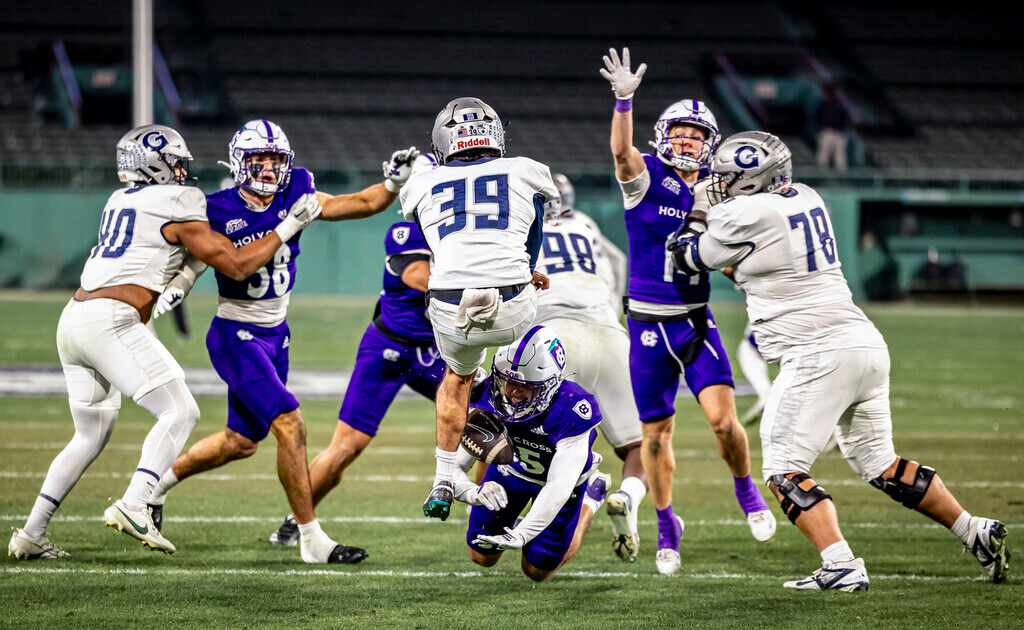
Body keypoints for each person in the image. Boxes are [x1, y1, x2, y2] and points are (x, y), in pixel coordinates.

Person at [670, 130, 1010, 589]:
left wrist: (695, 212)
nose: (721, 184)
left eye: (729, 177)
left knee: (783, 468)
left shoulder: (743, 212)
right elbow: (755, 258)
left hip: (817, 353)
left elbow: (687, 258)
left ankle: (841, 563)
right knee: (881, 464)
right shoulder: (806, 196)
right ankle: (973, 530)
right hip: (863, 343)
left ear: (751, 181)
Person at [7, 124, 318, 559]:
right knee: (180, 410)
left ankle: (31, 533)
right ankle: (137, 502)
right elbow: (233, 262)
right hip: (111, 321)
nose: (181, 171)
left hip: (74, 318)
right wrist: (287, 227)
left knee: (89, 435)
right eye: (176, 163)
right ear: (156, 165)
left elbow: (186, 252)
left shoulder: (119, 199)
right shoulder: (179, 199)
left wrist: (183, 280)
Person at [145, 120, 419, 564]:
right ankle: (312, 540)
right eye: (259, 159)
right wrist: (178, 281)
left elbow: (362, 203)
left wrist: (391, 183)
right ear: (239, 162)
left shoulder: (298, 192)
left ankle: (151, 488)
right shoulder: (216, 208)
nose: (269, 169)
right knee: (290, 423)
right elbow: (211, 260)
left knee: (241, 441)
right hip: (236, 333)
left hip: (277, 334)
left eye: (276, 160)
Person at [600, 47, 775, 574]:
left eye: (696, 134)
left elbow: (731, 259)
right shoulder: (646, 175)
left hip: (695, 321)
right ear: (664, 134)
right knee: (654, 436)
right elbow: (620, 153)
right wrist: (624, 100)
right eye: (679, 130)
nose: (686, 139)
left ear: (710, 143)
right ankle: (666, 524)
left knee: (724, 424)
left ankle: (746, 490)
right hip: (646, 325)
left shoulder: (722, 195)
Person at [267, 183, 480, 545]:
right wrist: (481, 281)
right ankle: (295, 521)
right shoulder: (406, 231)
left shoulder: (462, 236)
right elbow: (420, 277)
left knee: (490, 416)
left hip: (434, 352)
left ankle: (485, 515)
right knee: (346, 448)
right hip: (388, 351)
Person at [400, 98, 556, 522]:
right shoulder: (528, 168)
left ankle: (444, 478)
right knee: (532, 361)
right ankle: (547, 444)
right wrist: (525, 270)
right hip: (514, 300)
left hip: (450, 304)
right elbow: (535, 226)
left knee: (458, 376)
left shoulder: (419, 183)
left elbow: (442, 243)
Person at [534, 173, 645, 562]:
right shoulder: (586, 224)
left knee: (539, 440)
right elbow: (619, 262)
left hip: (553, 337)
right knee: (636, 447)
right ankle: (626, 496)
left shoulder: (519, 229)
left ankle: (548, 512)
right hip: (609, 333)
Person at [454, 325, 611, 582]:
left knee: (537, 571)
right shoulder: (489, 395)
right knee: (481, 557)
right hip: (508, 474)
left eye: (525, 386)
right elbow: (455, 466)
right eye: (508, 381)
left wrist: (524, 532)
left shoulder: (572, 409)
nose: (513, 393)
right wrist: (473, 492)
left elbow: (558, 486)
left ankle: (590, 502)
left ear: (549, 385)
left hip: (559, 485)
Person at [814, 84, 852, 174]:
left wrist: (842, 129)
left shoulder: (840, 105)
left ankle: (842, 175)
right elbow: (817, 118)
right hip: (826, 132)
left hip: (838, 133)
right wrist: (820, 128)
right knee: (823, 155)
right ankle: (822, 174)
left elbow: (846, 119)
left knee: (840, 156)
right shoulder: (822, 105)